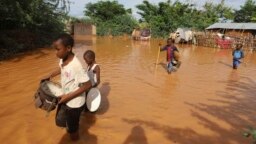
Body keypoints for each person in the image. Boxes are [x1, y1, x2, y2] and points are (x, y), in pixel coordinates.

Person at [42, 33, 92, 141]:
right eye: (55, 49)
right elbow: (61, 68)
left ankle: (75, 139)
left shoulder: (76, 65)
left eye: (58, 49)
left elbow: (88, 84)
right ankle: (70, 127)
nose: (56, 53)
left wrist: (67, 97)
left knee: (72, 130)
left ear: (68, 48)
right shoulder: (63, 58)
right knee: (60, 121)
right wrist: (49, 75)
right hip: (65, 97)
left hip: (75, 103)